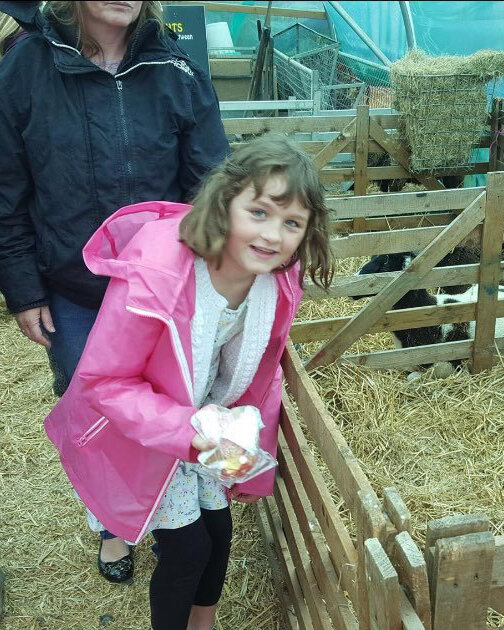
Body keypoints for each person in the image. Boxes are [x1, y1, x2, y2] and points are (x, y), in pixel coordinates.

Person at [44, 136, 333, 630]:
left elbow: (261, 380)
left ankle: (203, 623)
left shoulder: (275, 283)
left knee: (219, 533)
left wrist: (253, 466)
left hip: (203, 427)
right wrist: (189, 434)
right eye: (259, 212)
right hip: (139, 428)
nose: (272, 235)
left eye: (292, 223)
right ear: (225, 203)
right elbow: (106, 380)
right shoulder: (160, 272)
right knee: (187, 547)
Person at [0, 0, 230, 580]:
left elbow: (211, 184)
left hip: (162, 292)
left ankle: (167, 515)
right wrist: (23, 290)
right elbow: (7, 189)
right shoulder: (25, 69)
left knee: (165, 405)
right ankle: (114, 527)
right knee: (97, 414)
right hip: (73, 290)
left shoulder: (176, 70)